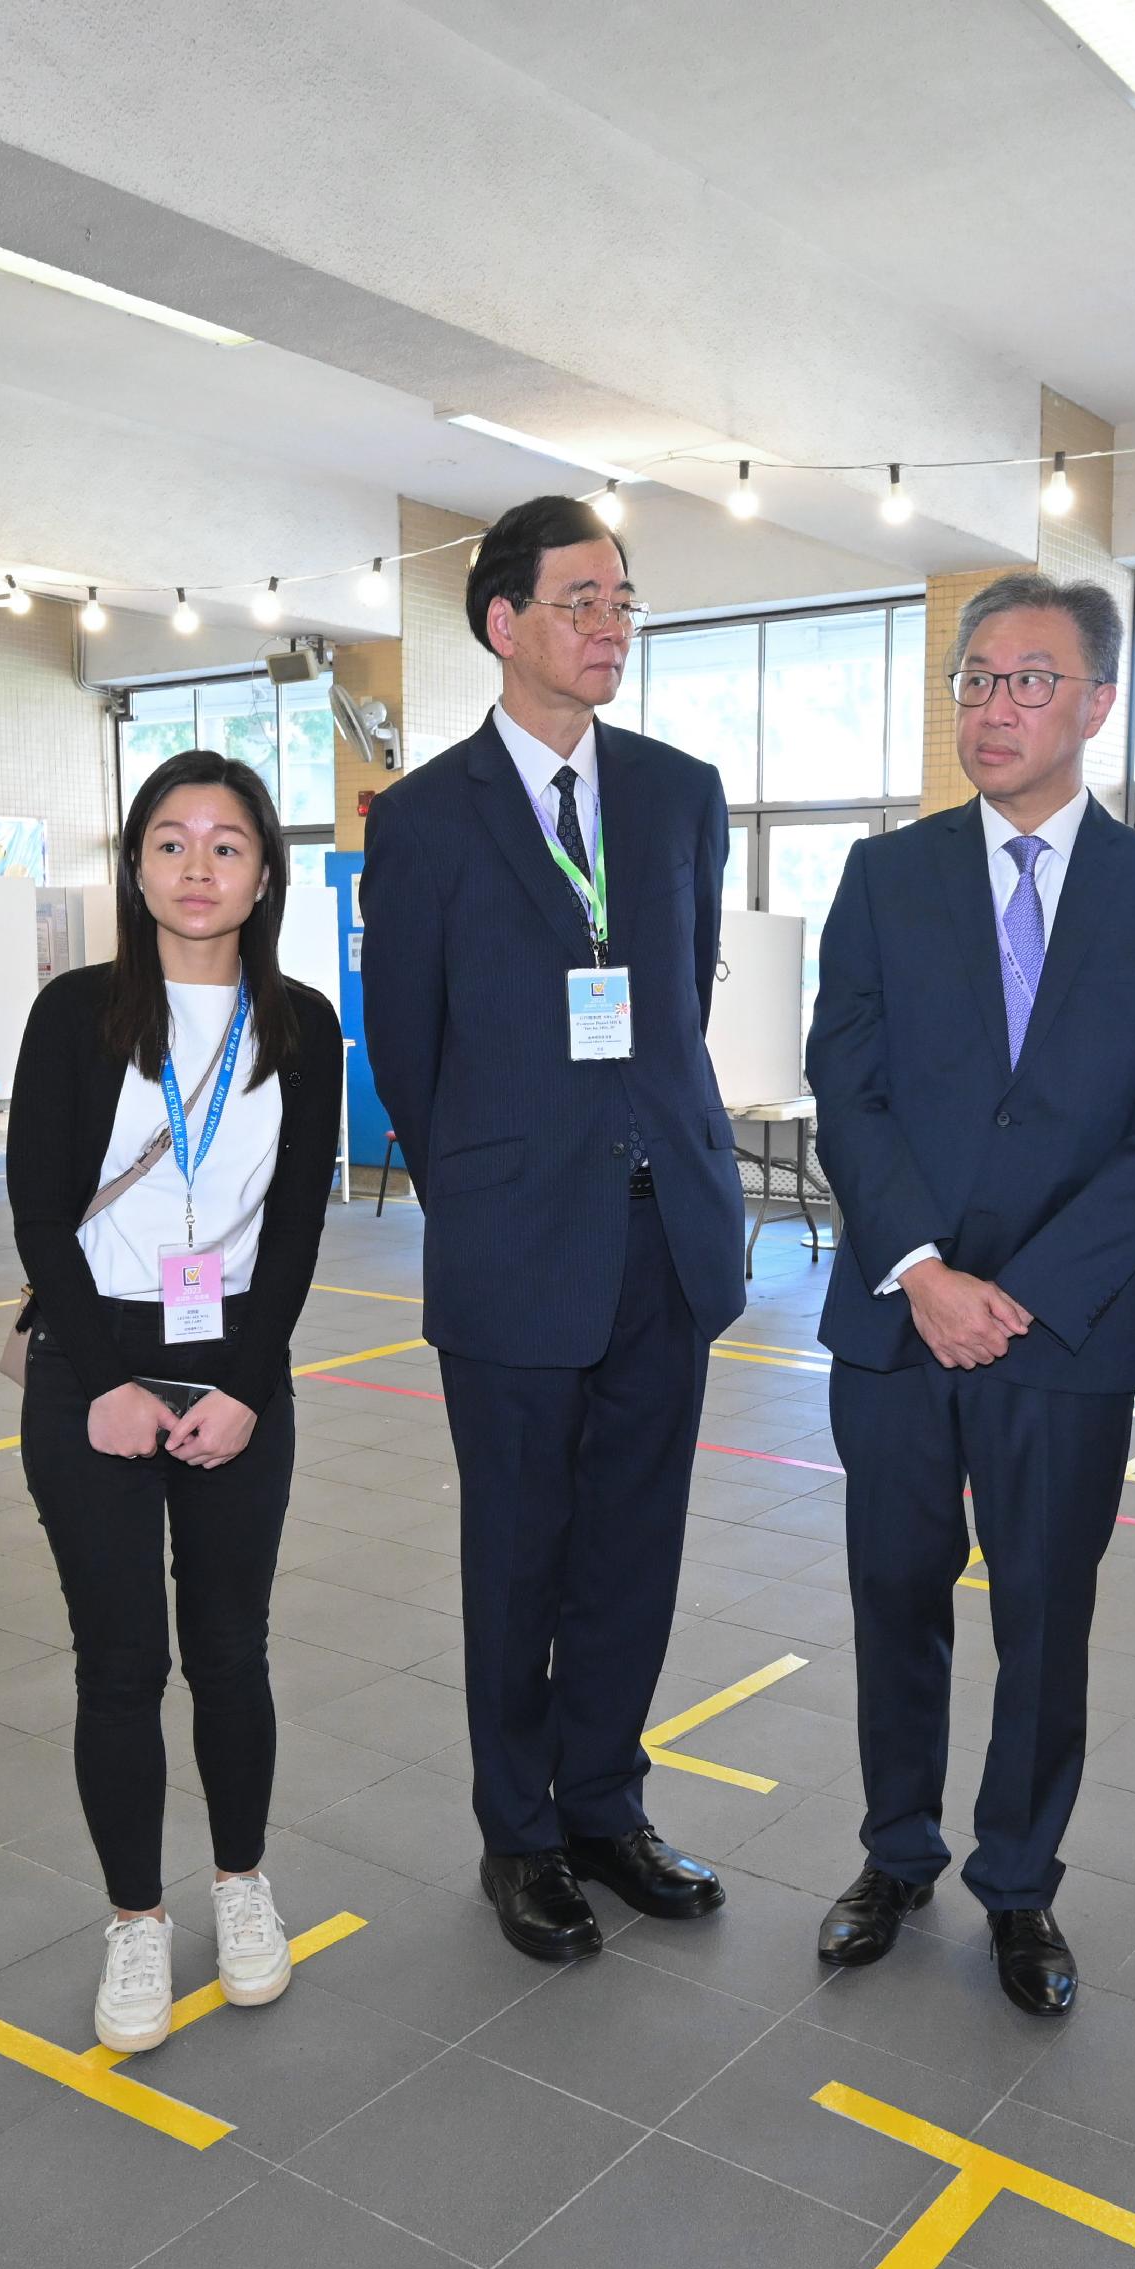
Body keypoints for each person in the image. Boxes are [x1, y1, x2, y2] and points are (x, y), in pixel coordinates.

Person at [805, 574, 1135, 2015]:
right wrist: (923, 1270)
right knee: (895, 1597)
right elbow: (844, 1086)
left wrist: (1024, 1291)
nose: (994, 706)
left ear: (1097, 703)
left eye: (1029, 680)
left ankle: (1020, 1882)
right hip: (900, 1321)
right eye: (974, 679)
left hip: (1066, 1330)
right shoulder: (884, 876)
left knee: (1044, 1616)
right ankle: (896, 1851)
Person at [361, 496, 748, 1963]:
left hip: (666, 1229)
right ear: (501, 621)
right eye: (580, 599)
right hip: (515, 1240)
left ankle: (606, 1802)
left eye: (623, 600)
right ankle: (518, 1832)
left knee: (634, 1545)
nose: (609, 625)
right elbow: (409, 1046)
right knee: (517, 1553)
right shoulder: (427, 817)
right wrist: (495, 1188)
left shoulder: (677, 792)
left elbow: (682, 996)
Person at [7, 750, 342, 2054]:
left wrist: (247, 1388)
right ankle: (136, 1919)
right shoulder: (79, 1011)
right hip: (91, 1367)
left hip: (238, 1364)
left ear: (265, 874)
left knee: (231, 1650)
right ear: (134, 864)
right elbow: (41, 1206)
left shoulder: (301, 1023)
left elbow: (302, 1221)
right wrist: (103, 1381)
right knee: (120, 1663)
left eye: (226, 844)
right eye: (170, 841)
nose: (197, 866)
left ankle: (242, 1885)